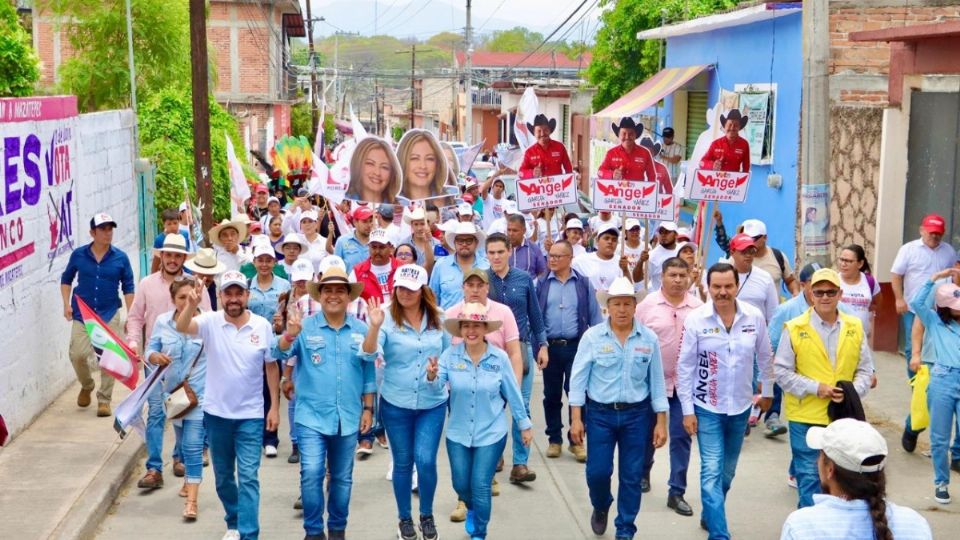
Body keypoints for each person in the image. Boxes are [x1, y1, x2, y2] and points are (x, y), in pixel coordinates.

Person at [175, 271, 280, 540]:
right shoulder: (209, 322)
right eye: (228, 293)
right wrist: (191, 303)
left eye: (238, 293)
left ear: (247, 295)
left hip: (251, 416)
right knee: (223, 477)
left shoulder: (261, 326)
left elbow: (271, 367)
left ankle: (248, 533)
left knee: (248, 477)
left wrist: (274, 408)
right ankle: (233, 520)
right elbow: (182, 327)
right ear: (220, 297)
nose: (233, 299)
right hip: (216, 414)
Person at [276, 267, 375, 540]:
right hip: (310, 416)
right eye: (328, 290)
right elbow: (276, 352)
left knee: (342, 478)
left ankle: (338, 530)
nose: (333, 295)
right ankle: (314, 531)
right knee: (311, 472)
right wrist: (289, 335)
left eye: (339, 290)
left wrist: (368, 408)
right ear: (319, 296)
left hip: (348, 415)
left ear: (348, 296)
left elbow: (368, 370)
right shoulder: (304, 327)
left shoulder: (360, 329)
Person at [676, 263, 774, 539]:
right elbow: (685, 367)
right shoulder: (696, 320)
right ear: (707, 287)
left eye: (728, 286)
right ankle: (719, 534)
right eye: (716, 286)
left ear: (736, 286)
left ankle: (711, 513)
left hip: (740, 408)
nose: (722, 292)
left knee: (726, 474)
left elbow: (766, 357)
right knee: (710, 471)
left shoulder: (753, 317)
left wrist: (767, 391)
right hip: (707, 407)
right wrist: (687, 411)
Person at [570, 276, 668, 540]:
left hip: (637, 416)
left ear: (635, 306)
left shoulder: (648, 338)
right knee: (597, 472)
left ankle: (625, 529)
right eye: (617, 304)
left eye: (627, 304)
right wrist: (576, 419)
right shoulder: (592, 337)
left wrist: (661, 422)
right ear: (607, 307)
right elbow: (578, 381)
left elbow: (657, 382)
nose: (622, 310)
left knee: (632, 476)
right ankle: (601, 505)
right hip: (600, 414)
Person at [426, 303, 533, 540]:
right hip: (458, 433)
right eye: (466, 325)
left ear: (485, 328)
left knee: (481, 486)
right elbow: (437, 389)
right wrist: (432, 376)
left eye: (476, 325)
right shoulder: (449, 356)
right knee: (461, 484)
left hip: (491, 432)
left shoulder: (500, 358)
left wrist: (524, 424)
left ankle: (480, 532)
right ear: (460, 329)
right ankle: (471, 508)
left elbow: (513, 393)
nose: (471, 330)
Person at [774, 268, 874, 509]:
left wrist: (852, 391)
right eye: (819, 292)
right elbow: (781, 372)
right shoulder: (795, 328)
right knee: (809, 477)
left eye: (830, 292)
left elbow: (865, 369)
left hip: (843, 416)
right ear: (810, 293)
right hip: (805, 416)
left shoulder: (854, 326)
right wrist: (816, 388)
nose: (825, 297)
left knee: (843, 481)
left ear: (840, 294)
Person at [363, 265, 447, 540]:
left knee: (425, 460)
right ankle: (404, 519)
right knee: (402, 462)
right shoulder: (385, 317)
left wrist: (437, 374)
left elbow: (447, 359)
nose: (404, 293)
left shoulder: (439, 319)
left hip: (431, 402)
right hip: (396, 401)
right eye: (400, 287)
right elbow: (368, 354)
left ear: (422, 291)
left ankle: (426, 514)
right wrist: (373, 328)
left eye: (411, 288)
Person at [126, 234, 211, 489]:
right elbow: (135, 317)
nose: (173, 260)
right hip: (156, 361)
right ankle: (153, 468)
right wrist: (133, 343)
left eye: (178, 255)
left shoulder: (196, 286)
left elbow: (208, 321)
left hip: (189, 363)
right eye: (168, 254)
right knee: (155, 413)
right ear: (160, 256)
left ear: (184, 258)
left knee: (184, 412)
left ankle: (180, 458)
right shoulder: (146, 284)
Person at [779, 419, 933, 540]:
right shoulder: (915, 524)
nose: (816, 461)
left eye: (820, 455)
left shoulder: (802, 526)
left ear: (830, 469)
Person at [636, 257, 704, 516]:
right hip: (650, 383)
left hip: (684, 386)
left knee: (681, 437)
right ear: (662, 276)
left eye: (681, 275)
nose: (677, 280)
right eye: (672, 275)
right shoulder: (646, 306)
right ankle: (643, 471)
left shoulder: (698, 308)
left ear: (689, 277)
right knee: (645, 434)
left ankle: (676, 491)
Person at [485, 233, 548, 484]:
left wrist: (542, 345)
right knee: (492, 406)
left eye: (500, 251)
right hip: (488, 351)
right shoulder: (481, 279)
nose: (496, 257)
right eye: (491, 252)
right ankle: (494, 455)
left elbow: (535, 315)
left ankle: (520, 463)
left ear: (509, 251)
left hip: (519, 350)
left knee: (520, 405)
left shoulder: (523, 280)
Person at [144, 277, 209, 520]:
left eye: (191, 296)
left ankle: (192, 501)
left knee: (192, 447)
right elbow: (148, 351)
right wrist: (155, 357)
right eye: (181, 297)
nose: (187, 301)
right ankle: (187, 482)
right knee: (182, 442)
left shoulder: (207, 322)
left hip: (200, 396)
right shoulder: (162, 322)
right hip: (174, 397)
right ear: (172, 300)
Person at [891, 213, 956, 451]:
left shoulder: (949, 252)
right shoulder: (909, 250)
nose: (935, 236)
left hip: (945, 312)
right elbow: (896, 275)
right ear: (922, 230)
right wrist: (899, 299)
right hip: (915, 308)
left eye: (939, 232)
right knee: (914, 351)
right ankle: (917, 386)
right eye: (931, 232)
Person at [60, 213, 135, 417]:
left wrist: (132, 315)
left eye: (110, 229)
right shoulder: (78, 255)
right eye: (103, 229)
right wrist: (66, 304)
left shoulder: (120, 258)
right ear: (92, 232)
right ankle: (87, 384)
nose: (107, 233)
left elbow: (128, 286)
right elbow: (66, 279)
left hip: (109, 312)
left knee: (108, 357)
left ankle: (104, 399)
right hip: (82, 312)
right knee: (77, 354)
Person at [538, 240, 602, 462]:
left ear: (570, 258)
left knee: (578, 395)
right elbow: (536, 317)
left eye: (558, 256)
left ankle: (577, 440)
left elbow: (595, 318)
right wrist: (540, 344)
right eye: (550, 256)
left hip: (577, 347)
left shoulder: (583, 284)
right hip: (550, 348)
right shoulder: (542, 283)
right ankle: (554, 439)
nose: (552, 260)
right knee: (551, 396)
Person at [909, 268, 960, 504]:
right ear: (944, 306)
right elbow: (916, 302)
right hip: (942, 379)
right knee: (939, 437)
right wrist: (934, 278)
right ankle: (941, 482)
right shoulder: (935, 321)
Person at [247, 243, 291, 459]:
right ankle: (254, 435)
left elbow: (289, 316)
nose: (264, 264)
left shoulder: (284, 286)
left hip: (274, 345)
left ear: (274, 262)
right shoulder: (246, 286)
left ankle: (270, 437)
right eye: (260, 260)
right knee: (252, 391)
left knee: (270, 389)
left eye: (268, 260)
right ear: (254, 262)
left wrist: (281, 325)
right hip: (250, 346)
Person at [429, 222, 490, 310]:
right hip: (447, 321)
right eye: (460, 241)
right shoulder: (441, 265)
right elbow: (433, 299)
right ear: (454, 242)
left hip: (479, 321)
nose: (464, 244)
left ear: (476, 242)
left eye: (469, 240)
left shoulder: (486, 266)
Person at [726, 233, 778, 321]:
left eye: (751, 251)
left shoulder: (765, 278)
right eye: (743, 251)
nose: (748, 255)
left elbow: (773, 315)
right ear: (732, 252)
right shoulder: (722, 276)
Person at [573, 222, 636, 294]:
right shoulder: (581, 261)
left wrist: (625, 270)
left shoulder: (621, 262)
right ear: (597, 241)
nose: (610, 242)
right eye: (606, 238)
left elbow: (629, 289)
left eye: (614, 239)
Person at [398, 130, 453, 204]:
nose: (423, 166)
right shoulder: (387, 204)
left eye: (429, 159)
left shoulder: (451, 201)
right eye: (414, 158)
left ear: (438, 164)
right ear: (402, 161)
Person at [837, 244, 881, 336]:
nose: (843, 264)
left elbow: (878, 303)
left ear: (860, 263)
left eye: (848, 261)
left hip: (862, 337)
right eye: (841, 259)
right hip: (839, 336)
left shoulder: (870, 281)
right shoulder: (834, 281)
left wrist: (865, 310)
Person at [351, 228, 400, 305]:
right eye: (373, 247)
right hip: (370, 315)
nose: (377, 251)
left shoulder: (402, 268)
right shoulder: (357, 271)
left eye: (382, 247)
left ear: (390, 247)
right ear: (369, 247)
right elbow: (350, 299)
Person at [597, 117, 656, 182]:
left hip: (638, 191)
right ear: (618, 135)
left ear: (635, 135)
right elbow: (600, 172)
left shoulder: (645, 153)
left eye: (631, 134)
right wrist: (612, 175)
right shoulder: (611, 153)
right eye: (624, 133)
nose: (627, 137)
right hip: (616, 191)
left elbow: (652, 176)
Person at [346, 137, 401, 204]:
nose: (377, 173)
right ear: (357, 165)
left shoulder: (407, 206)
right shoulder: (339, 202)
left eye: (384, 167)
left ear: (392, 174)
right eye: (370, 163)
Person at [518, 114, 573, 179]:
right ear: (534, 133)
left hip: (557, 187)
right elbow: (520, 173)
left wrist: (570, 183)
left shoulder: (560, 147)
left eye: (545, 130)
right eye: (538, 131)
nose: (542, 134)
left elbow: (569, 170)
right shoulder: (529, 152)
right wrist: (532, 173)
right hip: (537, 188)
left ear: (550, 131)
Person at [335, 206, 376, 273]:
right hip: (351, 283)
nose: (369, 225)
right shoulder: (342, 241)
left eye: (371, 221)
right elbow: (336, 269)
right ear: (355, 222)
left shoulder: (377, 241)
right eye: (364, 221)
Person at [506, 213, 547, 280]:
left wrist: (534, 285)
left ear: (524, 230)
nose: (511, 234)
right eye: (509, 230)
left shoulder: (534, 249)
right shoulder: (501, 249)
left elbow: (542, 272)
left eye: (515, 230)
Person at [151, 208, 192, 272]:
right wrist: (153, 277)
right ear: (164, 224)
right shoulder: (159, 239)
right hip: (169, 271)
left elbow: (187, 253)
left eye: (175, 223)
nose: (172, 226)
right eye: (169, 224)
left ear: (179, 222)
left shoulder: (185, 234)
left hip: (185, 271)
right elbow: (156, 261)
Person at [400, 207, 438, 273]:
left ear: (428, 224)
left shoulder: (437, 244)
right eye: (416, 224)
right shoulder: (403, 244)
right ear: (411, 225)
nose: (419, 228)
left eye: (422, 224)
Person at [647, 221, 681, 291]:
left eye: (667, 232)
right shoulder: (652, 255)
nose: (663, 235)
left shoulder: (682, 250)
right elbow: (643, 280)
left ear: (676, 235)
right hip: (659, 299)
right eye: (661, 232)